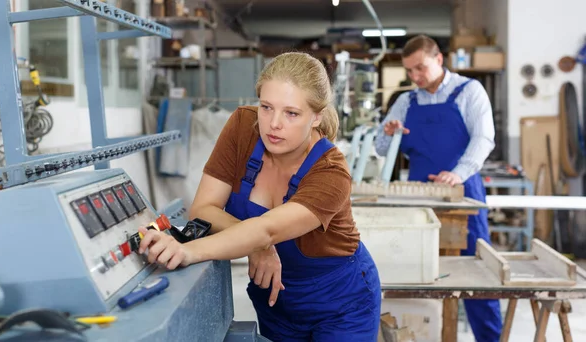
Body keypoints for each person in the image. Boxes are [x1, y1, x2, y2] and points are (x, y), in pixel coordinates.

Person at [138, 52, 382, 341]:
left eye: (291, 113)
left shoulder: (331, 172)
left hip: (341, 303)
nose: (273, 124)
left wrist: (187, 251)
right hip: (274, 300)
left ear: (317, 116)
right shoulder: (243, 126)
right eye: (266, 107)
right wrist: (257, 247)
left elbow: (267, 229)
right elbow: (204, 208)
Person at [374, 35, 501, 341]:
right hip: (417, 200)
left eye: (420, 68)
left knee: (476, 275)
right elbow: (380, 146)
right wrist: (389, 134)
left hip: (462, 195)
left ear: (439, 59)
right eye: (409, 71)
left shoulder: (469, 92)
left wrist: (457, 174)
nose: (415, 77)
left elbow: (484, 139)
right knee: (417, 273)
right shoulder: (406, 101)